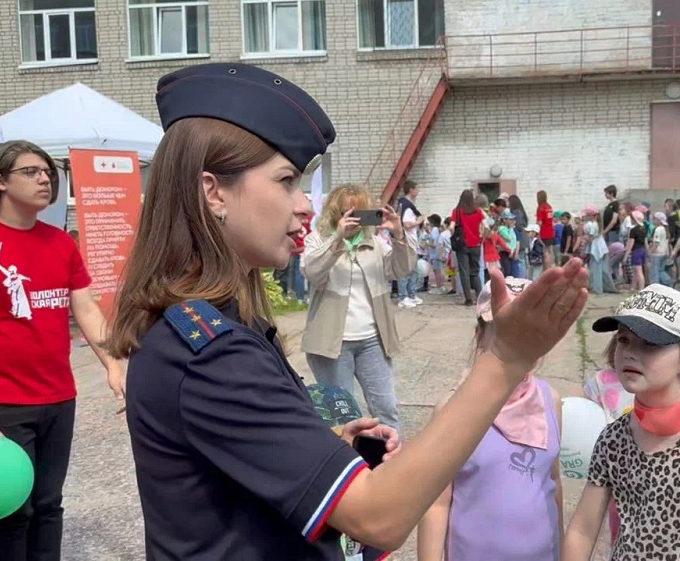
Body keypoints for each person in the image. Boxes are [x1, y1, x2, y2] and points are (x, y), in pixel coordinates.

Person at [105, 63, 590, 561]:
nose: (303, 206)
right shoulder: (208, 352)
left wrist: (325, 446)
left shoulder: (216, 323)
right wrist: (505, 359)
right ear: (213, 192)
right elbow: (380, 519)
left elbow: (230, 471)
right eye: (287, 181)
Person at [0, 141, 125, 561]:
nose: (44, 179)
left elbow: (87, 309)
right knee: (13, 508)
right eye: (30, 171)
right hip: (5, 402)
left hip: (58, 396)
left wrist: (113, 364)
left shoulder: (60, 243)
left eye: (48, 172)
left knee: (49, 506)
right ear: (1, 181)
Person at [563, 285, 680, 560]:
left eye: (650, 343)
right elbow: (582, 529)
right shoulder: (613, 438)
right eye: (624, 340)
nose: (628, 352)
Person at [417, 278, 563, 561]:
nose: (517, 345)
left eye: (529, 334)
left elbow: (553, 482)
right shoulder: (453, 409)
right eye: (504, 332)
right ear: (479, 335)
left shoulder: (550, 401)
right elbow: (435, 504)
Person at [302, 183, 416, 431]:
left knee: (386, 407)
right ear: (335, 212)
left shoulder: (374, 242)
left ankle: (391, 461)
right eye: (346, 212)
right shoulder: (317, 240)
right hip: (332, 343)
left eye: (360, 212)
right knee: (342, 414)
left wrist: (398, 236)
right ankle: (351, 466)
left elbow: (402, 269)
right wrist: (337, 239)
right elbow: (312, 272)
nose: (354, 219)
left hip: (372, 339)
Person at [450, 190, 488, 306]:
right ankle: (480, 297)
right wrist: (482, 238)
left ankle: (468, 299)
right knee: (475, 272)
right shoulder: (478, 211)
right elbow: (486, 226)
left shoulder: (456, 212)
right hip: (476, 245)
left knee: (464, 272)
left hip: (463, 245)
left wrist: (454, 235)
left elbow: (451, 227)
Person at [396, 180, 425, 308]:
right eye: (416, 189)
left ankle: (411, 294)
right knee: (405, 269)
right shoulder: (405, 205)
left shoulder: (408, 205)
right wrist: (418, 221)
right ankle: (403, 296)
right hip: (407, 242)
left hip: (412, 242)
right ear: (411, 190)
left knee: (413, 270)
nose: (418, 191)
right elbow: (406, 224)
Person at [623, 210, 647, 291]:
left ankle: (641, 289)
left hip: (636, 251)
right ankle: (633, 287)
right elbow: (645, 241)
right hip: (642, 250)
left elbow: (630, 244)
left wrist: (626, 256)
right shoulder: (643, 229)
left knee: (638, 271)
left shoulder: (633, 230)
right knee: (636, 271)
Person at [536, 190, 555, 269]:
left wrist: (536, 231)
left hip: (544, 232)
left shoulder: (541, 208)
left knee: (545, 252)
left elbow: (539, 222)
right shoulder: (549, 207)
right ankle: (550, 268)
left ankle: (546, 270)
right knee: (550, 252)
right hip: (551, 231)